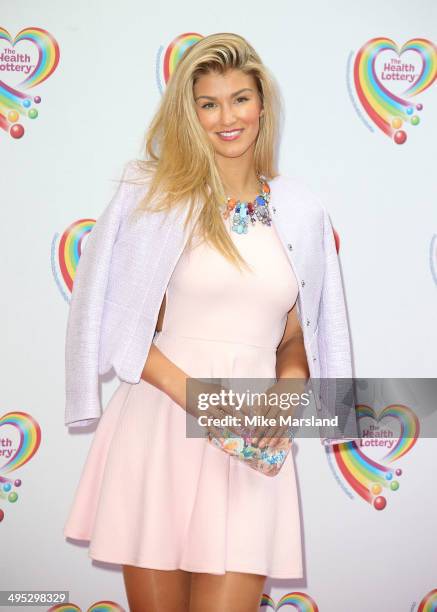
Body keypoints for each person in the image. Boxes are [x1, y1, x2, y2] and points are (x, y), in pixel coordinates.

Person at [63, 32, 356, 612]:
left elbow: (297, 333)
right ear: (190, 113)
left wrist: (290, 390)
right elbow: (118, 324)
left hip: (250, 438)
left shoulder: (300, 208)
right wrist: (200, 401)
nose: (228, 117)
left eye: (240, 99)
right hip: (160, 425)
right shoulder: (152, 196)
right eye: (209, 103)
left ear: (262, 106)